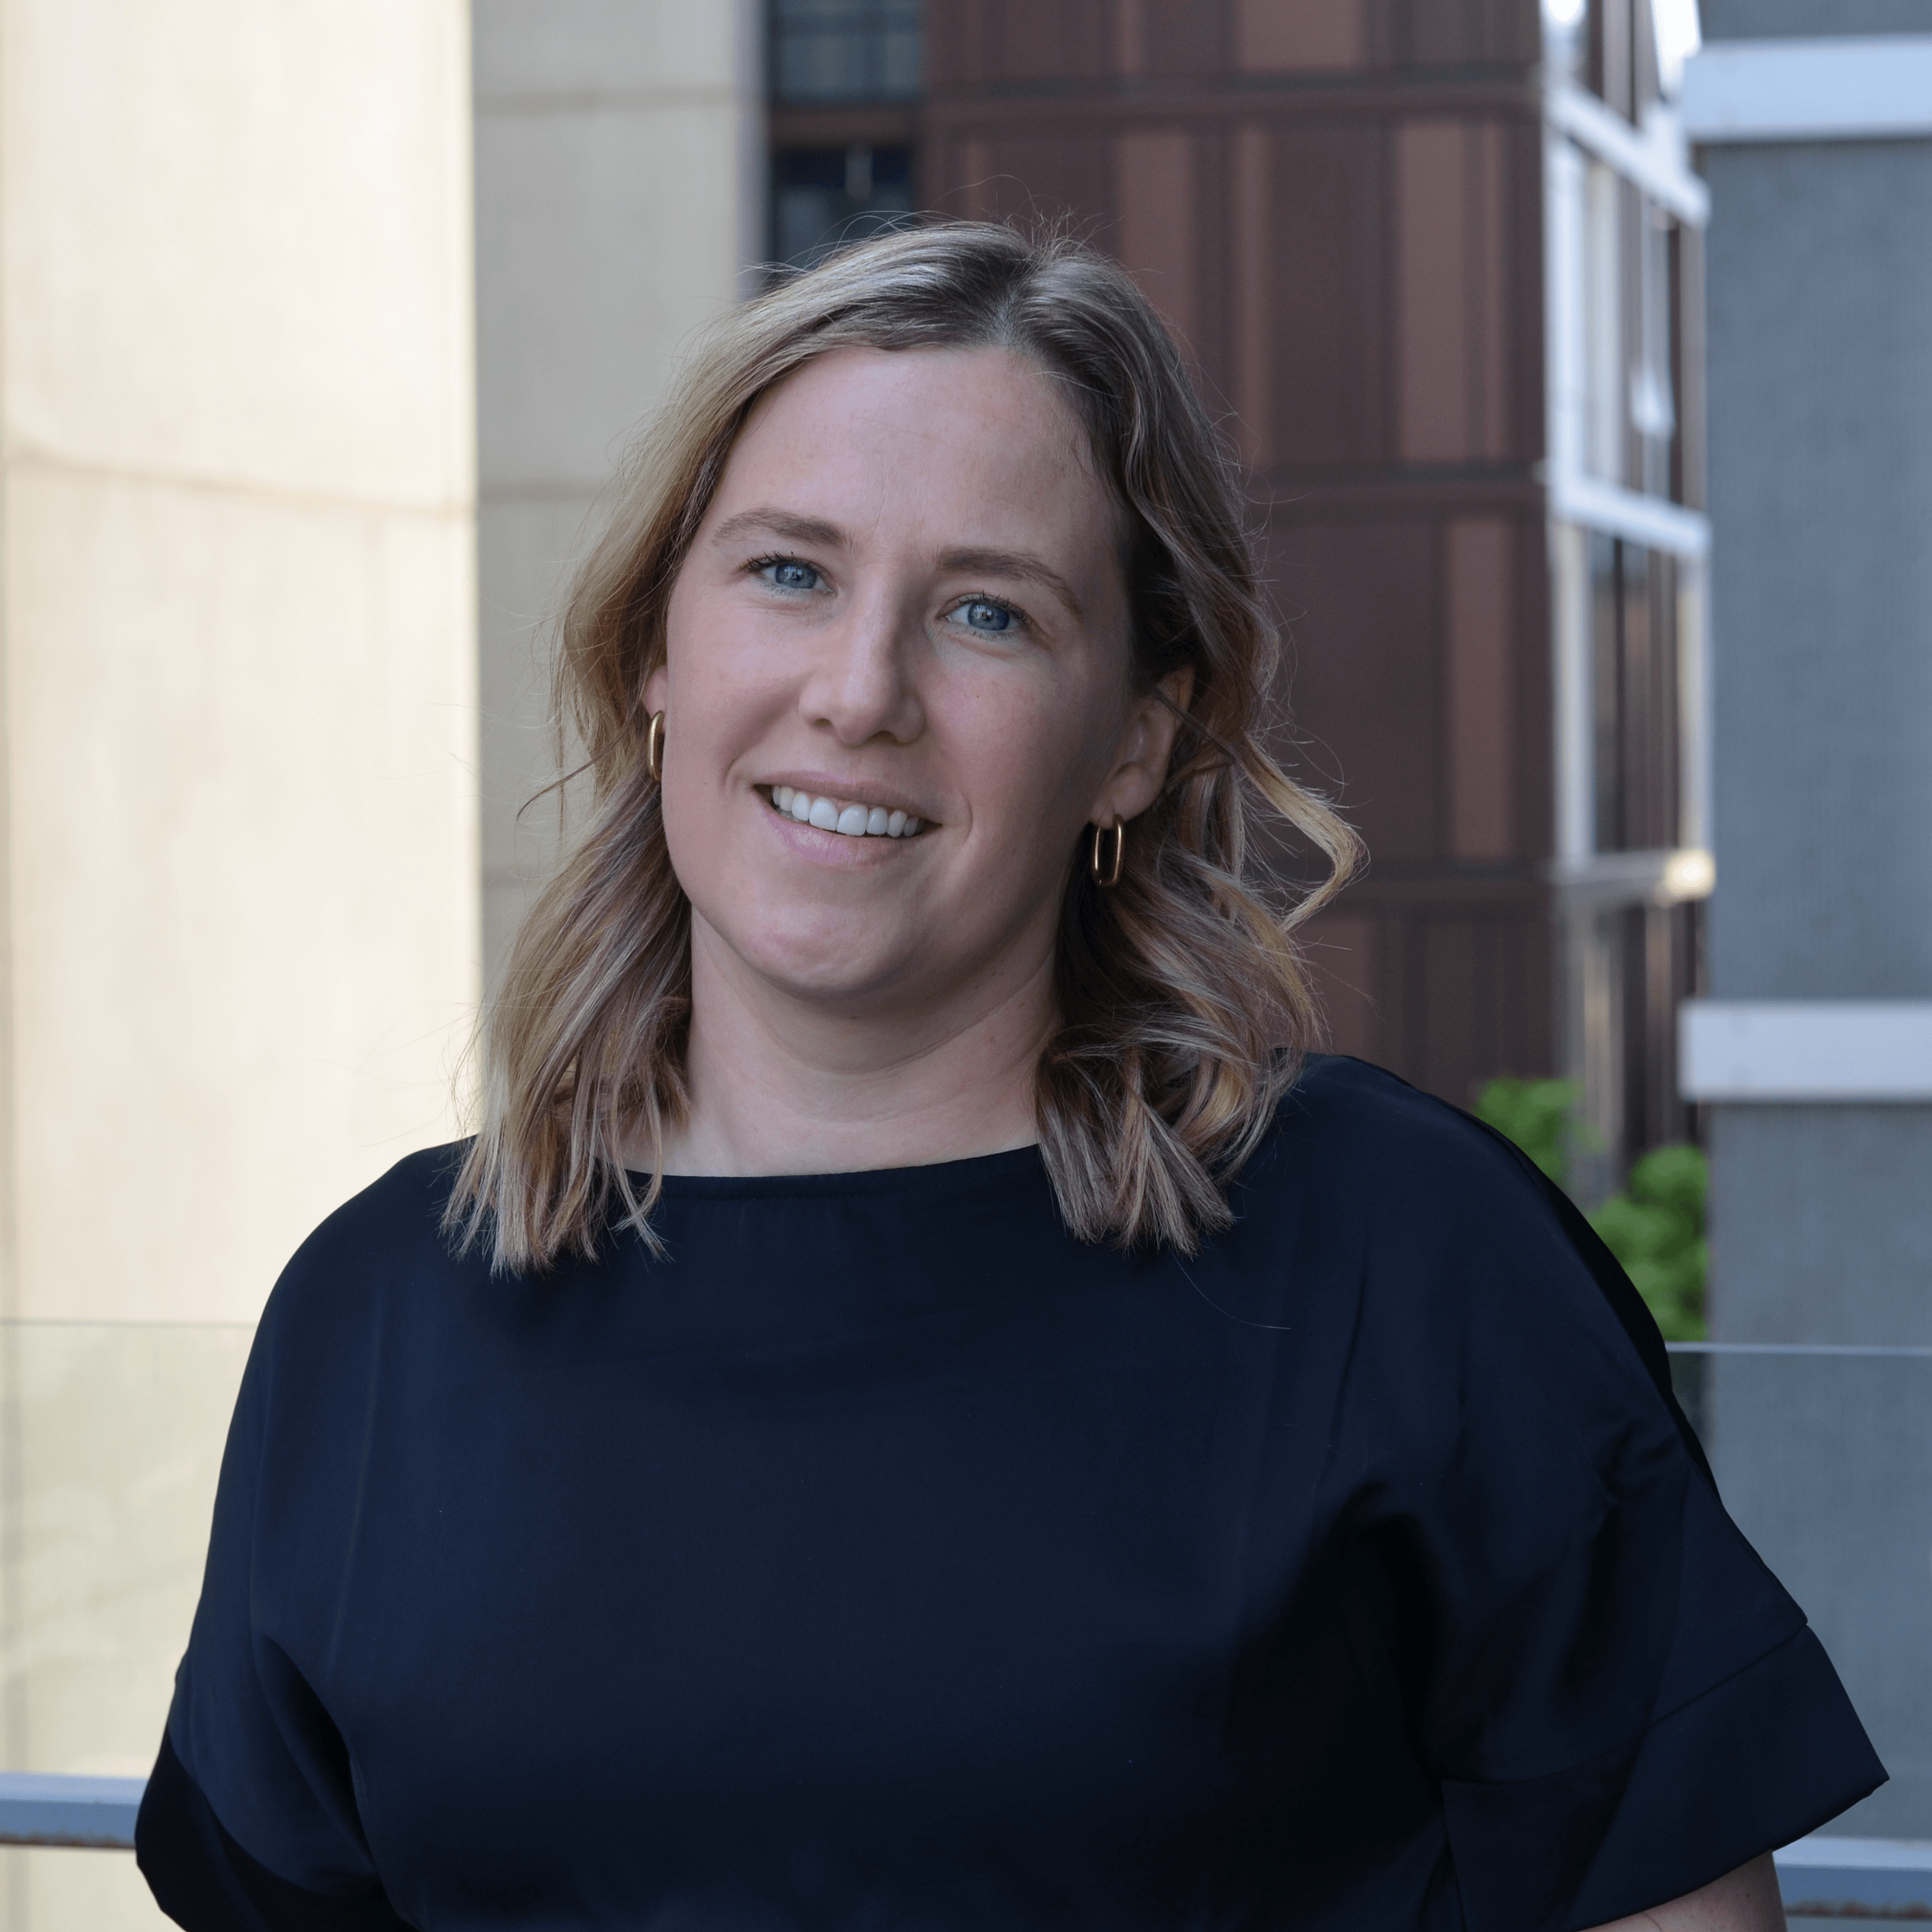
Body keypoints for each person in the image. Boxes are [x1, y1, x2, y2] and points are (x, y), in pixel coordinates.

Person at [136, 223, 1879, 1932]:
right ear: (658, 650)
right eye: (789, 571)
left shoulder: (1403, 1263)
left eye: (985, 612)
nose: (859, 691)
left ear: (1139, 735)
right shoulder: (378, 1316)